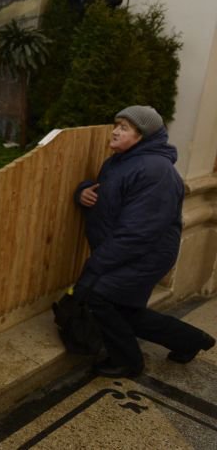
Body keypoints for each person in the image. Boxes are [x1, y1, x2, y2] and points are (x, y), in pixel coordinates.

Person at [73, 105, 215, 377]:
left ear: (142, 135)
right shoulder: (119, 162)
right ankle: (190, 340)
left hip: (145, 254)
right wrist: (83, 193)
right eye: (116, 125)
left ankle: (128, 361)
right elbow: (107, 197)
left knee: (98, 297)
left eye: (124, 128)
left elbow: (139, 231)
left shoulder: (156, 171)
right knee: (124, 309)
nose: (115, 131)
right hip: (126, 250)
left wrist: (98, 263)